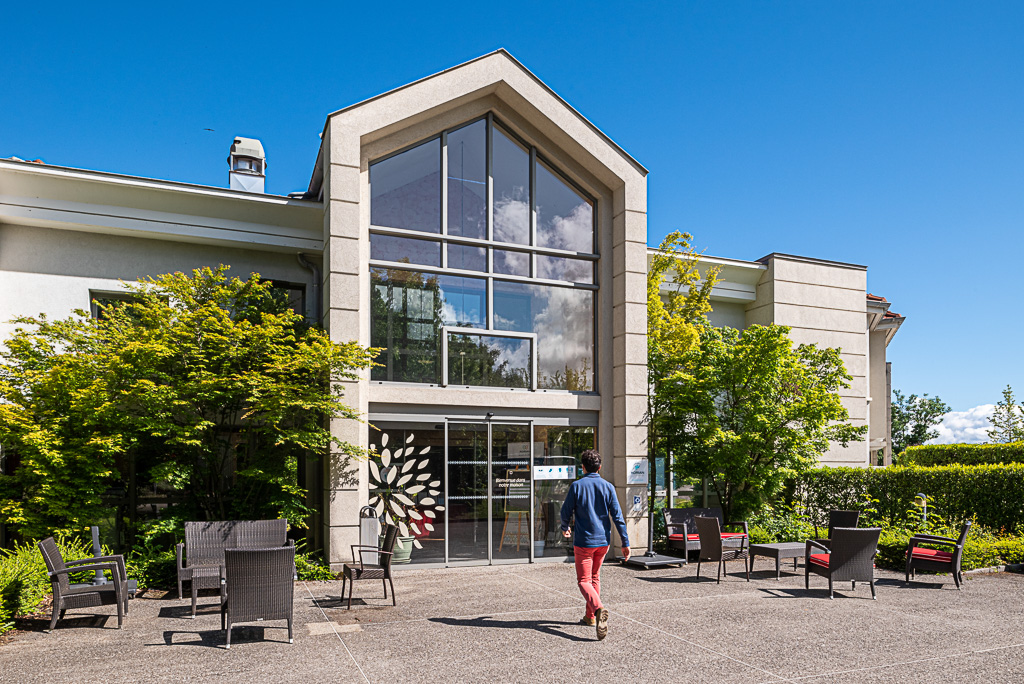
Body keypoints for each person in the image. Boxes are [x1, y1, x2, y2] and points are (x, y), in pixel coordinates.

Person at [560, 449, 630, 640]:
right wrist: (625, 542)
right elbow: (618, 516)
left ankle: (598, 609)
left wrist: (564, 527)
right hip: (603, 542)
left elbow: (566, 510)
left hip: (584, 542)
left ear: (583, 467)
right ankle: (590, 617)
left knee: (584, 581)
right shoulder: (608, 487)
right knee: (594, 578)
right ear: (600, 467)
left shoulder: (577, 486)